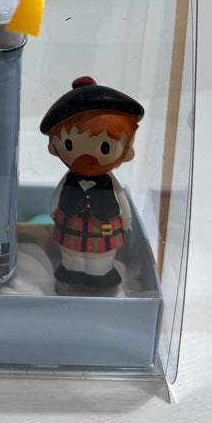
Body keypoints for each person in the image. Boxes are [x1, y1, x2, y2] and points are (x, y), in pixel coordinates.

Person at [40, 76, 144, 288]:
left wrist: (125, 218)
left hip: (103, 224)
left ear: (126, 151)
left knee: (101, 255)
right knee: (71, 252)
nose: (86, 157)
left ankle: (101, 272)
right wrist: (54, 210)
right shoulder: (69, 179)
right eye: (69, 145)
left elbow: (121, 199)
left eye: (105, 147)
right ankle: (72, 269)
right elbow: (58, 196)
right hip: (72, 220)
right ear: (54, 146)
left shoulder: (109, 181)